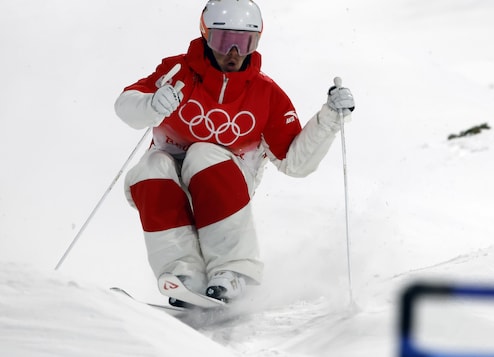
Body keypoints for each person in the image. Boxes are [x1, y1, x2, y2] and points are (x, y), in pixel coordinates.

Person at [114, 0, 355, 304]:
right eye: (224, 41)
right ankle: (183, 274)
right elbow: (125, 105)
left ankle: (231, 273)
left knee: (203, 153)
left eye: (244, 42)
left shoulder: (266, 94)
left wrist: (330, 119)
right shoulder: (177, 72)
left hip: (226, 184)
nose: (234, 53)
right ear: (206, 36)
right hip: (169, 183)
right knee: (149, 166)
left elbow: (296, 162)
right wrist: (150, 105)